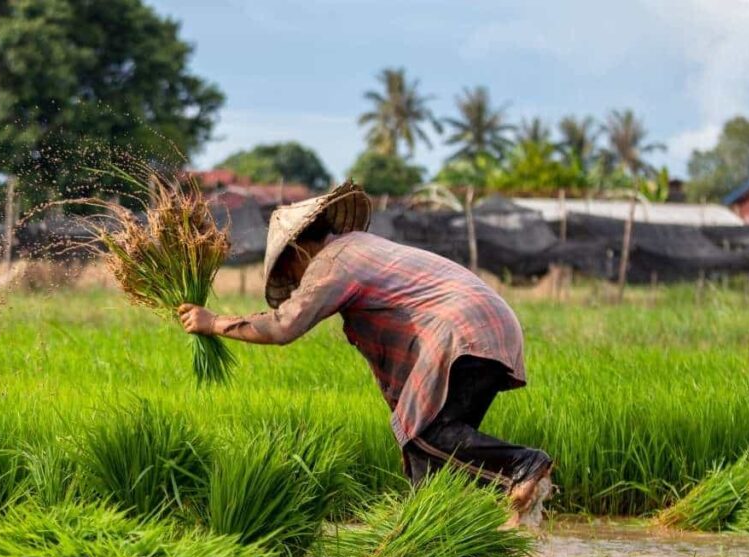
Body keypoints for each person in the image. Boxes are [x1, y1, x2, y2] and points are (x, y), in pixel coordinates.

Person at [178, 182, 553, 527]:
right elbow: (397, 371)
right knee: (430, 460)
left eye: (291, 271)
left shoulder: (334, 262)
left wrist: (213, 323)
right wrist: (406, 432)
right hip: (487, 325)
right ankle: (438, 541)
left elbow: (282, 326)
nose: (297, 283)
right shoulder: (362, 250)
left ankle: (523, 464)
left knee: (428, 433)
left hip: (462, 330)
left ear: (297, 249)